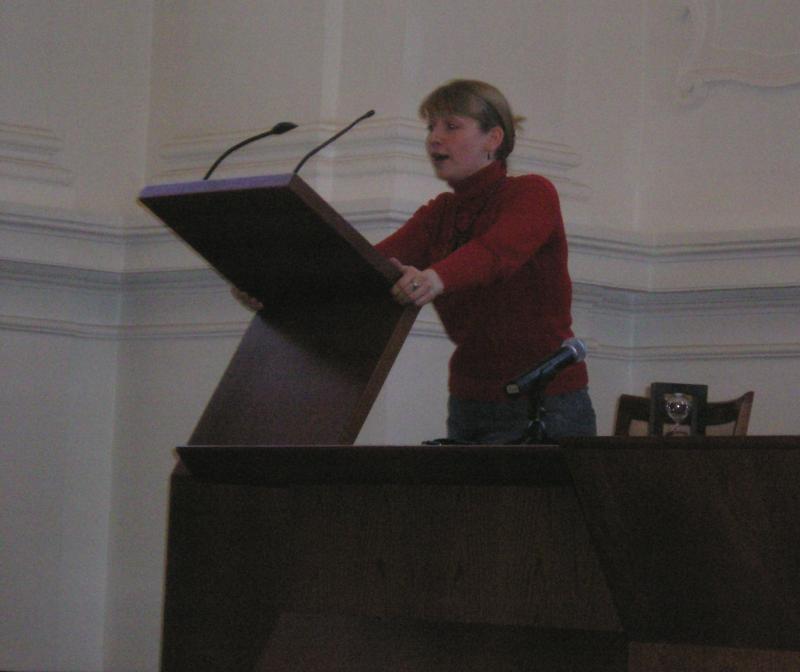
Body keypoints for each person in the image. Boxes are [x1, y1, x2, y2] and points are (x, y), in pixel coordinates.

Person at [375, 79, 596, 443]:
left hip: (546, 403)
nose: (434, 139)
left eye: (451, 126)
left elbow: (497, 253)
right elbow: (370, 263)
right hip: (470, 401)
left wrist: (432, 279)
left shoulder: (532, 193)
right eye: (431, 127)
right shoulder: (439, 214)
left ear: (493, 138)